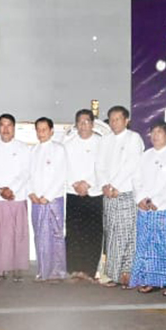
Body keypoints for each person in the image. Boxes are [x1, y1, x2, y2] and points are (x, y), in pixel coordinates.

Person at [132, 121, 166, 296]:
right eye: (153, 132)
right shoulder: (145, 156)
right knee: (147, 246)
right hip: (145, 208)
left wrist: (157, 201)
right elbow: (136, 179)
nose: (155, 136)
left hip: (165, 208)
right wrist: (141, 199)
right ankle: (149, 280)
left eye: (159, 132)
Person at [96, 106, 144, 288]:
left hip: (125, 192)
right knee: (111, 233)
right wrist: (105, 185)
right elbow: (99, 165)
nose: (115, 122)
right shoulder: (105, 140)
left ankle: (126, 273)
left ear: (126, 120)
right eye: (112, 119)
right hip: (108, 193)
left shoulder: (134, 139)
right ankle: (111, 273)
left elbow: (131, 165)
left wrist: (115, 185)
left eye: (118, 119)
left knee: (127, 235)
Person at [0, 114, 30, 282]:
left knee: (18, 233)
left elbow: (25, 172)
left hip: (18, 196)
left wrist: (12, 190)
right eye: (2, 125)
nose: (6, 129)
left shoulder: (23, 148)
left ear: (14, 128)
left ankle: (17, 267)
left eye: (9, 125)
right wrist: (0, 190)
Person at [63, 108, 104, 282]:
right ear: (76, 124)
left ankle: (89, 270)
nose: (83, 125)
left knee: (93, 232)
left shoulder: (101, 143)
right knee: (74, 231)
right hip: (73, 192)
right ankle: (74, 268)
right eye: (80, 122)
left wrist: (88, 183)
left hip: (94, 193)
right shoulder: (68, 143)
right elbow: (64, 166)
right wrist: (75, 183)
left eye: (87, 121)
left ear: (93, 124)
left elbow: (103, 167)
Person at [28, 117, 68, 282]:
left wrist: (48, 196)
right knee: (39, 235)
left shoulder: (59, 149)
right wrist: (31, 193)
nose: (41, 133)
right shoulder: (34, 150)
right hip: (37, 201)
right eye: (38, 129)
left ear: (51, 131)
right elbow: (28, 175)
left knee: (55, 234)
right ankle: (42, 270)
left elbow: (61, 174)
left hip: (53, 200)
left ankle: (57, 272)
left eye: (44, 129)